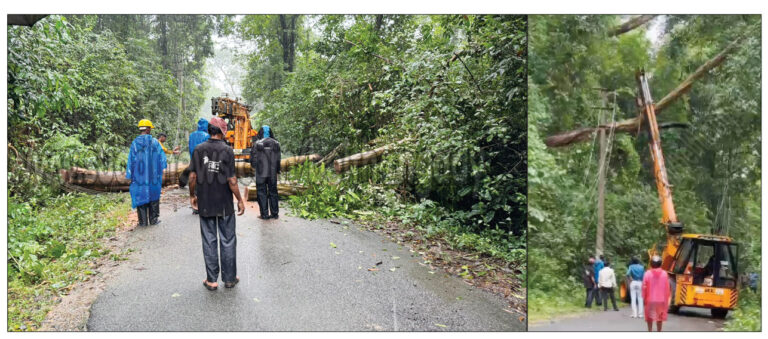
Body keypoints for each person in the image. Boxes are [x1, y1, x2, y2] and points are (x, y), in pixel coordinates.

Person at [188, 117, 245, 291]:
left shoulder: (198, 149)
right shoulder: (227, 150)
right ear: (221, 131)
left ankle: (211, 280)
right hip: (224, 204)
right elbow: (232, 179)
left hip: (206, 201)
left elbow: (192, 177)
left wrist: (192, 195)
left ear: (209, 130)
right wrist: (239, 199)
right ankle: (229, 279)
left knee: (209, 240)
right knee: (228, 239)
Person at [126, 119, 167, 226]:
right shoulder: (154, 143)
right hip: (153, 176)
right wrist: (162, 168)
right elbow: (162, 158)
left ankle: (143, 222)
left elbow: (131, 160)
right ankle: (153, 220)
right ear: (148, 129)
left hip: (139, 176)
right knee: (154, 195)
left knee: (141, 194)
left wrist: (129, 175)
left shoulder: (135, 143)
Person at [249, 125, 281, 219]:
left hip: (261, 172)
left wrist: (254, 167)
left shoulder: (257, 143)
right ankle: (275, 214)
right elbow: (278, 159)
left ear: (260, 132)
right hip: (272, 173)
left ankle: (264, 214)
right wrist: (277, 170)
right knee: (273, 192)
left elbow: (253, 159)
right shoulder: (276, 143)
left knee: (261, 192)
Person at [186, 118, 210, 214]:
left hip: (193, 160)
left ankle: (195, 207)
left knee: (194, 183)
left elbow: (190, 148)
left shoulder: (192, 135)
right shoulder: (207, 136)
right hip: (204, 161)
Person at [642, 255, 670, 332]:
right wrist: (667, 300)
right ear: (660, 263)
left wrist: (644, 298)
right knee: (659, 319)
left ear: (651, 263)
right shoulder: (664, 274)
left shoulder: (647, 273)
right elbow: (667, 288)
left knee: (650, 318)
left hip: (650, 300)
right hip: (661, 300)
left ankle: (650, 331)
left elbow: (644, 287)